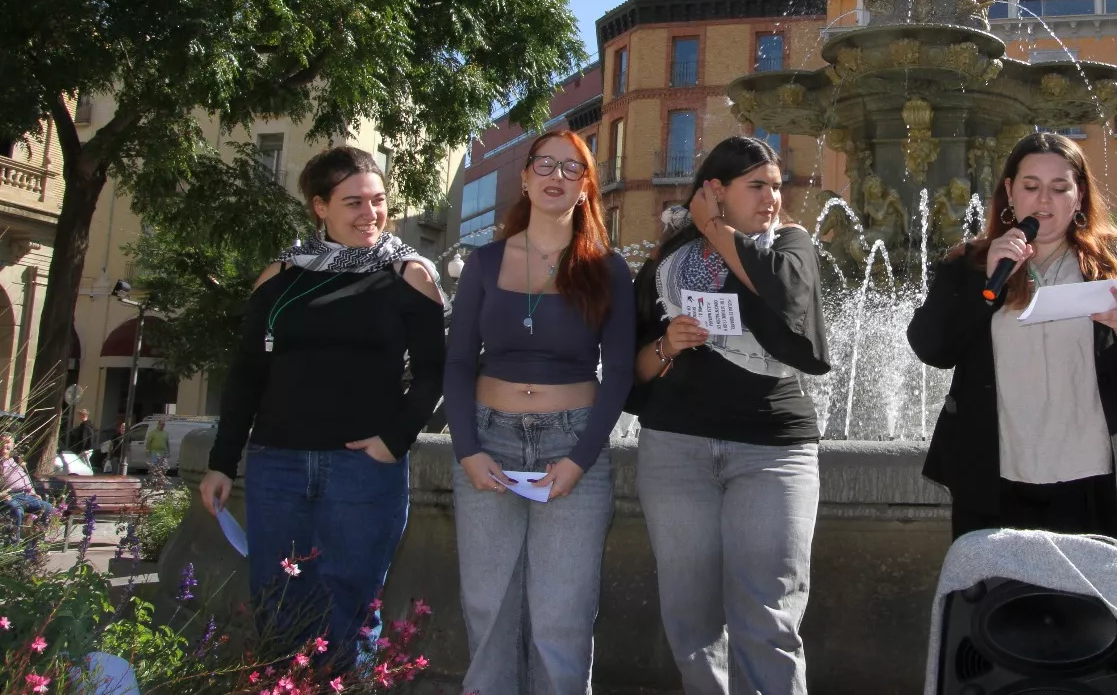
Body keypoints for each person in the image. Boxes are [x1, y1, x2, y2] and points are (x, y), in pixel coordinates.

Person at [197, 146, 446, 662]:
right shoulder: (280, 278)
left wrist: (392, 441)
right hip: (277, 466)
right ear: (319, 207)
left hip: (363, 470)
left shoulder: (410, 275)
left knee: (350, 615)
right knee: (276, 606)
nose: (370, 214)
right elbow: (247, 374)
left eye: (378, 200)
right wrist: (222, 460)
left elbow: (433, 373)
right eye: (353, 202)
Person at [908, 131, 1117, 544]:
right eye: (1031, 186)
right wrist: (985, 282)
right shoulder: (968, 263)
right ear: (1009, 192)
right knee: (1000, 606)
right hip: (996, 477)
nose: (1043, 200)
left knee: (1094, 607)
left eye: (1059, 188)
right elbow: (931, 347)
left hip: (1098, 478)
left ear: (1080, 195)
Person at [629, 135, 831, 695]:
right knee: (690, 617)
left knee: (769, 615)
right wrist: (668, 345)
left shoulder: (790, 245)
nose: (771, 197)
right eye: (757, 186)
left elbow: (788, 304)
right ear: (716, 189)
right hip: (676, 450)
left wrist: (718, 229)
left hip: (773, 450)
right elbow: (635, 371)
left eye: (775, 186)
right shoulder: (666, 259)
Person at [445, 131, 633, 694]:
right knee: (487, 607)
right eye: (544, 164)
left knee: (562, 616)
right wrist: (468, 452)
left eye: (572, 169)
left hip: (571, 444)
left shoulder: (609, 269)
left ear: (585, 188)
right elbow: (456, 365)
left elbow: (618, 374)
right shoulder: (482, 263)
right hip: (489, 440)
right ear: (524, 178)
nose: (556, 175)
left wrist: (578, 461)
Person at [1, 433, 54, 529]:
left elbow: (26, 480)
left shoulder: (16, 461)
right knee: (16, 510)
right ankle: (14, 541)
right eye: (2, 442)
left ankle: (36, 540)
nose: (5, 445)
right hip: (9, 496)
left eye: (8, 442)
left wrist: (33, 493)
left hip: (26, 496)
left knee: (48, 508)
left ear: (13, 446)